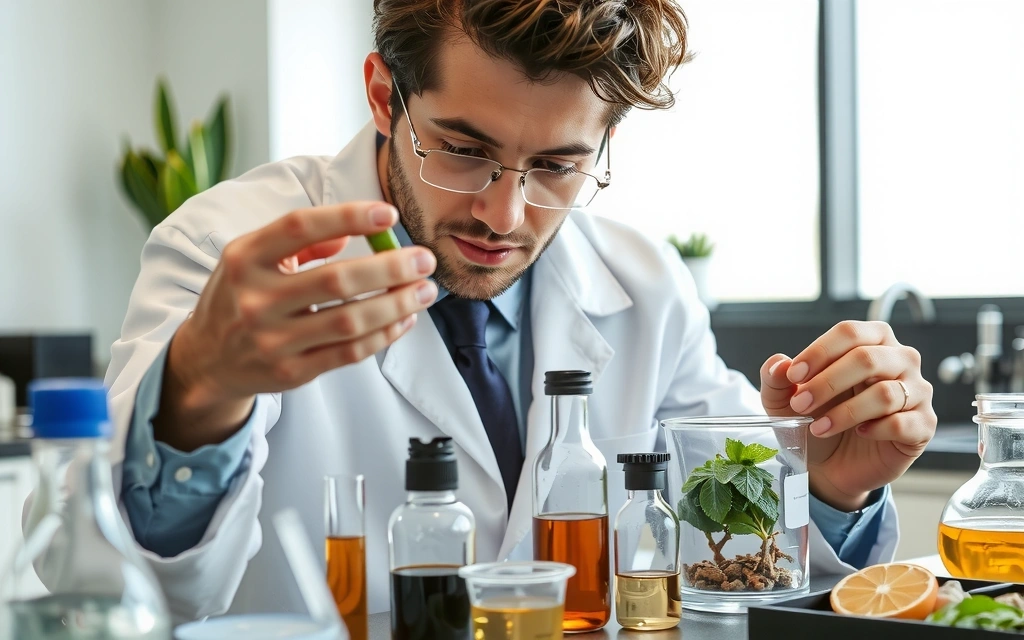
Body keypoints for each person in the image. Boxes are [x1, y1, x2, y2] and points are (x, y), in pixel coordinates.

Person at [71, 0, 935, 622]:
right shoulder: (230, 245)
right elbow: (142, 583)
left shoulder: (646, 284)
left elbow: (726, 558)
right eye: (462, 151)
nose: (505, 216)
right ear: (383, 96)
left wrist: (830, 484)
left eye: (558, 165)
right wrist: (201, 385)